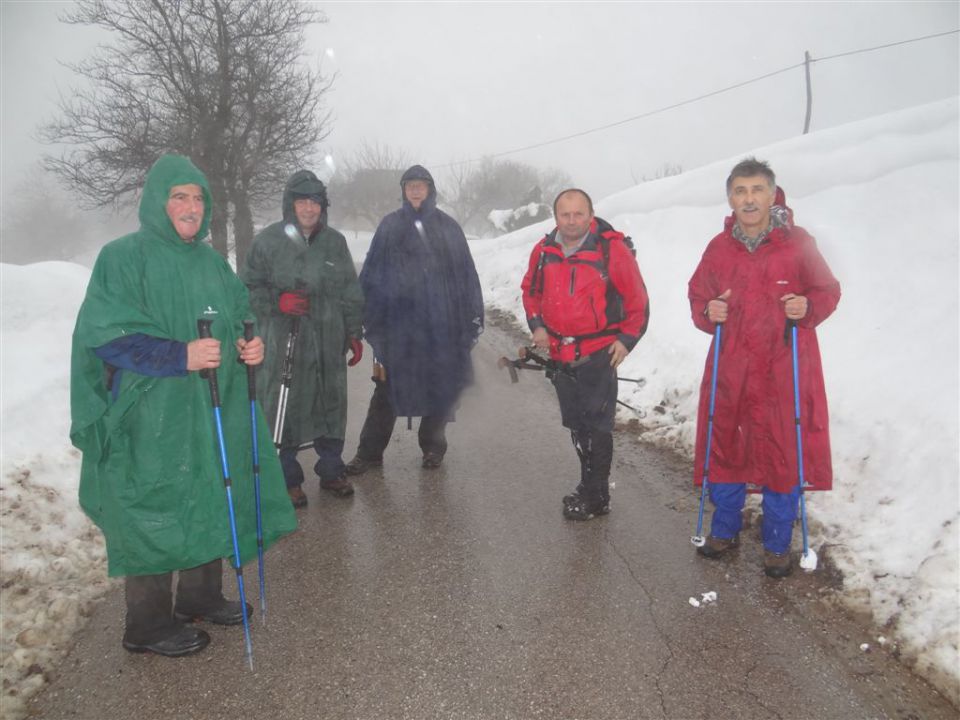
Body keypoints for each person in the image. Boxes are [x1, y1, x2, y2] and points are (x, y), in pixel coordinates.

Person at [70, 154, 297, 657]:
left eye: (197, 198)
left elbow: (240, 314)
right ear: (157, 201)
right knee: (152, 504)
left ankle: (198, 596)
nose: (191, 206)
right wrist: (179, 354)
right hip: (150, 412)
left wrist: (250, 345)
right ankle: (145, 625)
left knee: (209, 487)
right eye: (179, 196)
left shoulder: (212, 261)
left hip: (208, 406)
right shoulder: (123, 257)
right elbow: (105, 336)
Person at [688, 157, 840, 578]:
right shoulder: (719, 248)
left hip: (784, 365)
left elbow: (827, 289)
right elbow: (698, 296)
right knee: (727, 443)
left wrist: (807, 304)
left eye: (756, 190)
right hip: (732, 365)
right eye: (740, 191)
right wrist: (709, 309)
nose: (749, 199)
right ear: (730, 199)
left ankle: (776, 542)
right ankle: (724, 528)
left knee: (783, 450)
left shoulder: (798, 243)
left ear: (772, 195)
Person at [345, 165, 484, 474]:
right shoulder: (389, 226)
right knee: (387, 390)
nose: (416, 190)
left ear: (430, 189)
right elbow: (371, 274)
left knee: (440, 386)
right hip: (400, 327)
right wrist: (368, 317)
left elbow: (466, 276)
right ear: (404, 190)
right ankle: (369, 453)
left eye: (421, 185)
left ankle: (433, 446)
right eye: (411, 185)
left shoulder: (448, 227)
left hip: (440, 325)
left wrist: (470, 318)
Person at [521, 189, 649, 521]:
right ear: (556, 217)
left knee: (597, 426)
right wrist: (537, 325)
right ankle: (590, 483)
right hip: (561, 353)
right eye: (565, 214)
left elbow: (638, 301)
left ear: (590, 215)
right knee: (577, 424)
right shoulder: (544, 250)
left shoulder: (611, 249)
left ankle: (596, 496)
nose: (572, 220)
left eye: (579, 214)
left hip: (598, 352)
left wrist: (626, 340)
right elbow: (530, 291)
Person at [241, 171, 364, 507]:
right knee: (287, 405)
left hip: (328, 336)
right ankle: (287, 478)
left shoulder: (334, 242)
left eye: (315, 202)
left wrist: (354, 332)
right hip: (284, 339)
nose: (309, 208)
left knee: (331, 403)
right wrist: (275, 302)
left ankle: (331, 469)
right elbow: (247, 289)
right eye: (302, 201)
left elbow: (350, 291)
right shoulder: (267, 242)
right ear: (290, 204)